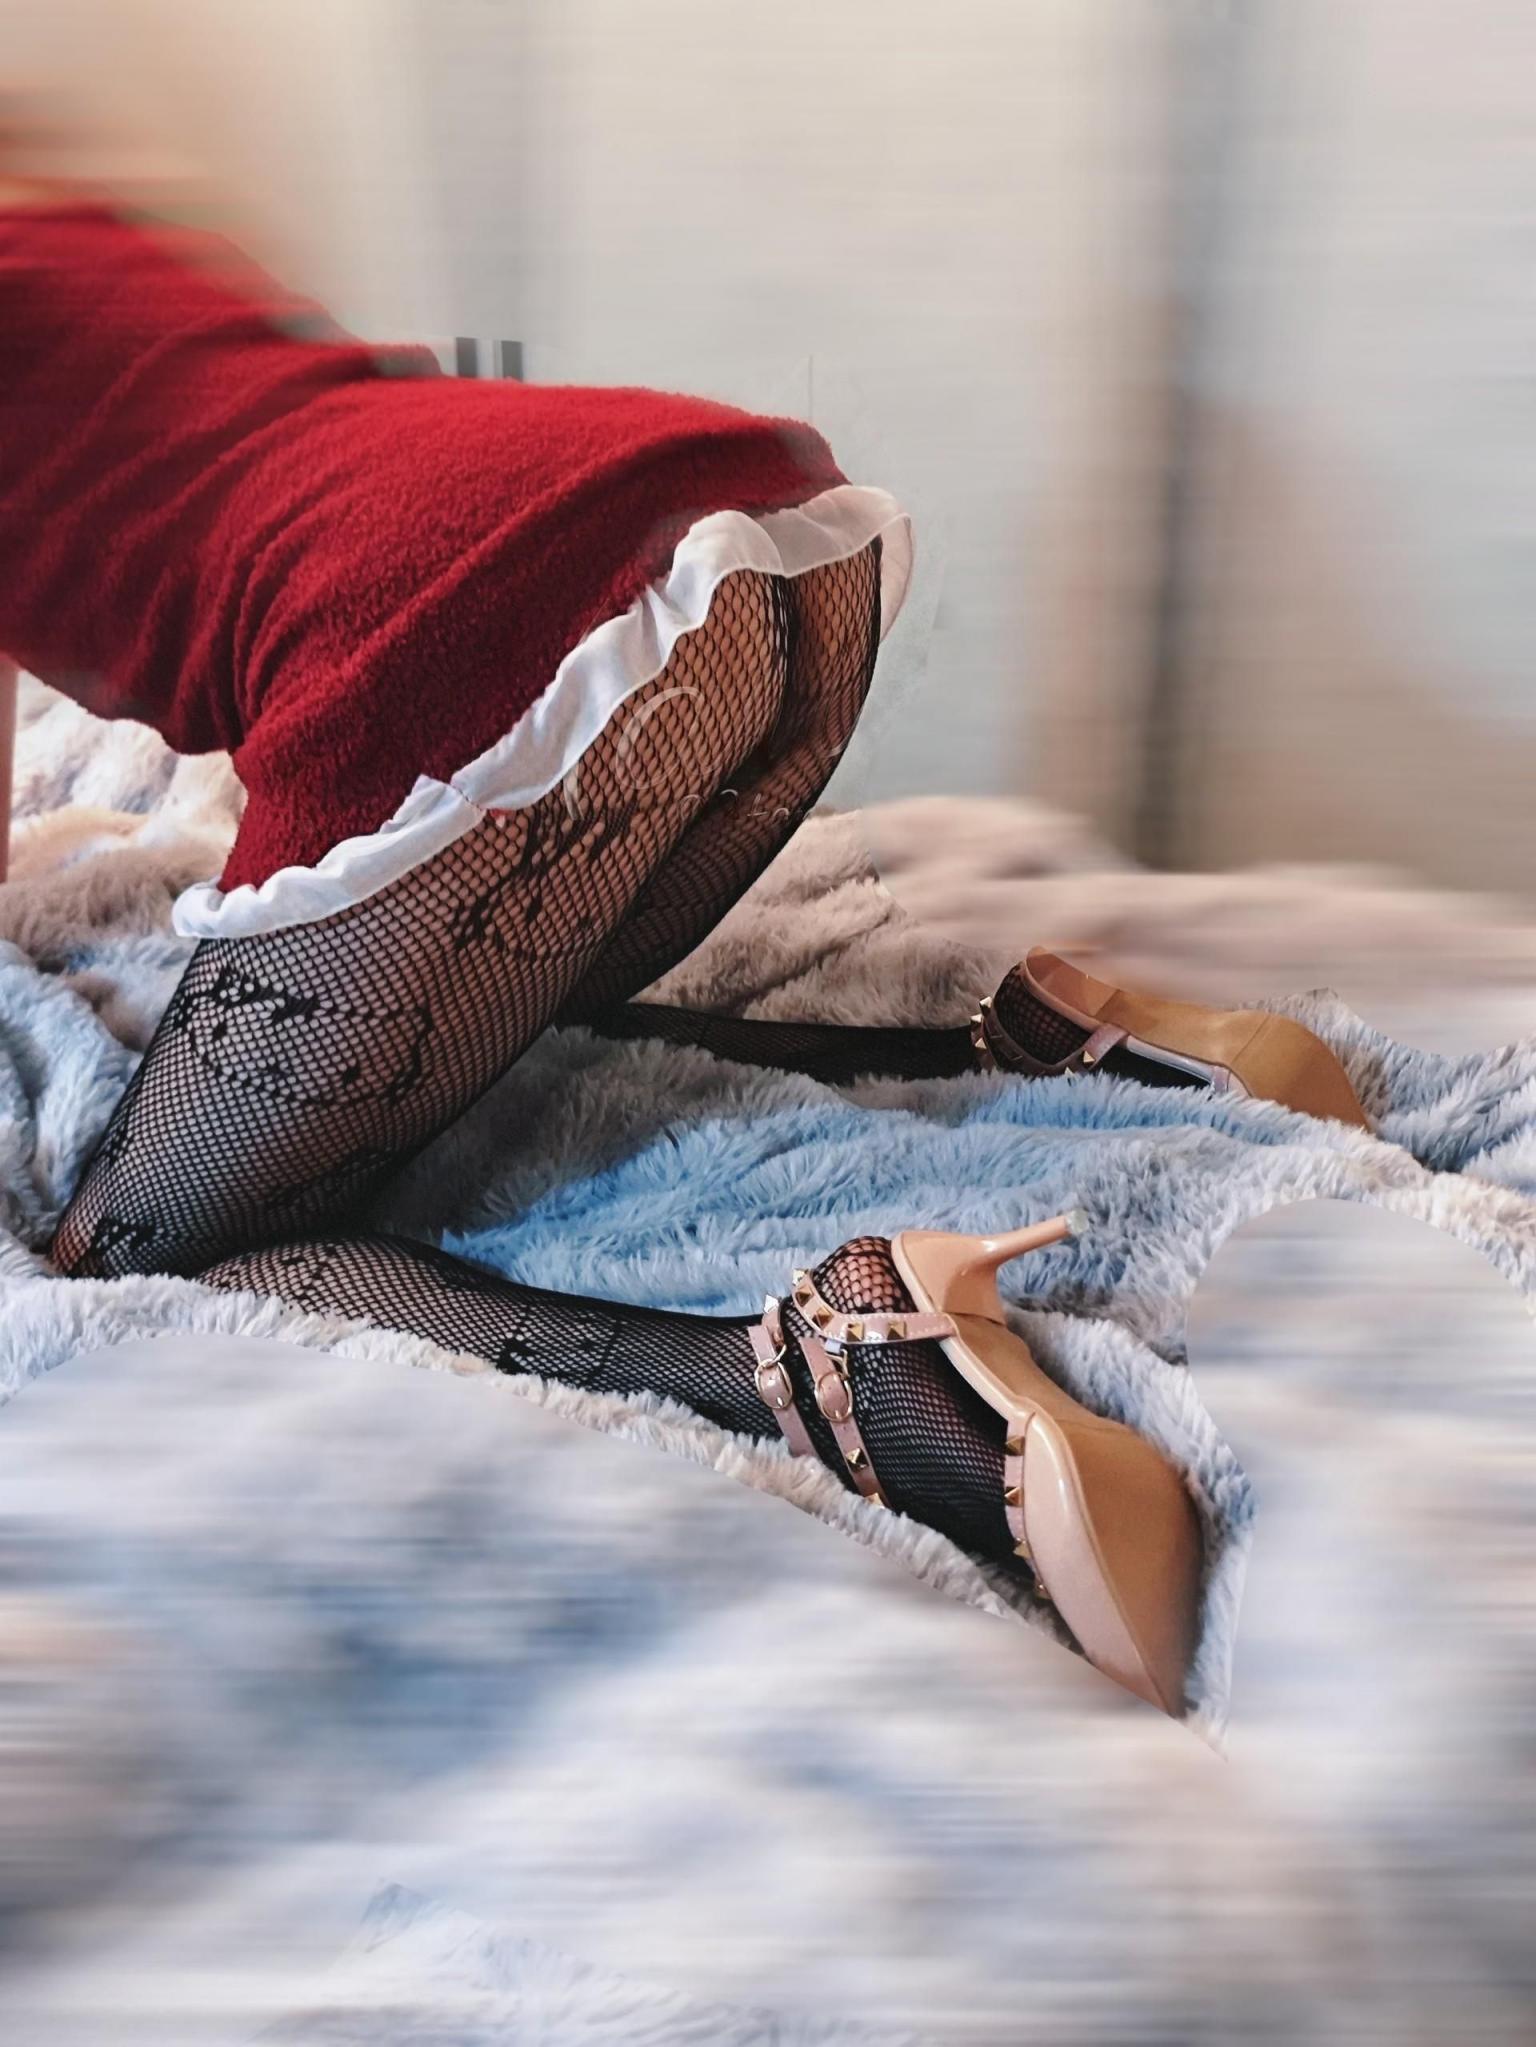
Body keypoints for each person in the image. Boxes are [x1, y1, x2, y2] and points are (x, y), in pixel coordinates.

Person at [1, 168, 1203, 1712]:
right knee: (493, 1015)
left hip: (445, 613)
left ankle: (825, 1375)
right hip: (724, 528)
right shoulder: (54, 211)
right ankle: (1020, 1044)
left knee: (144, 1253)